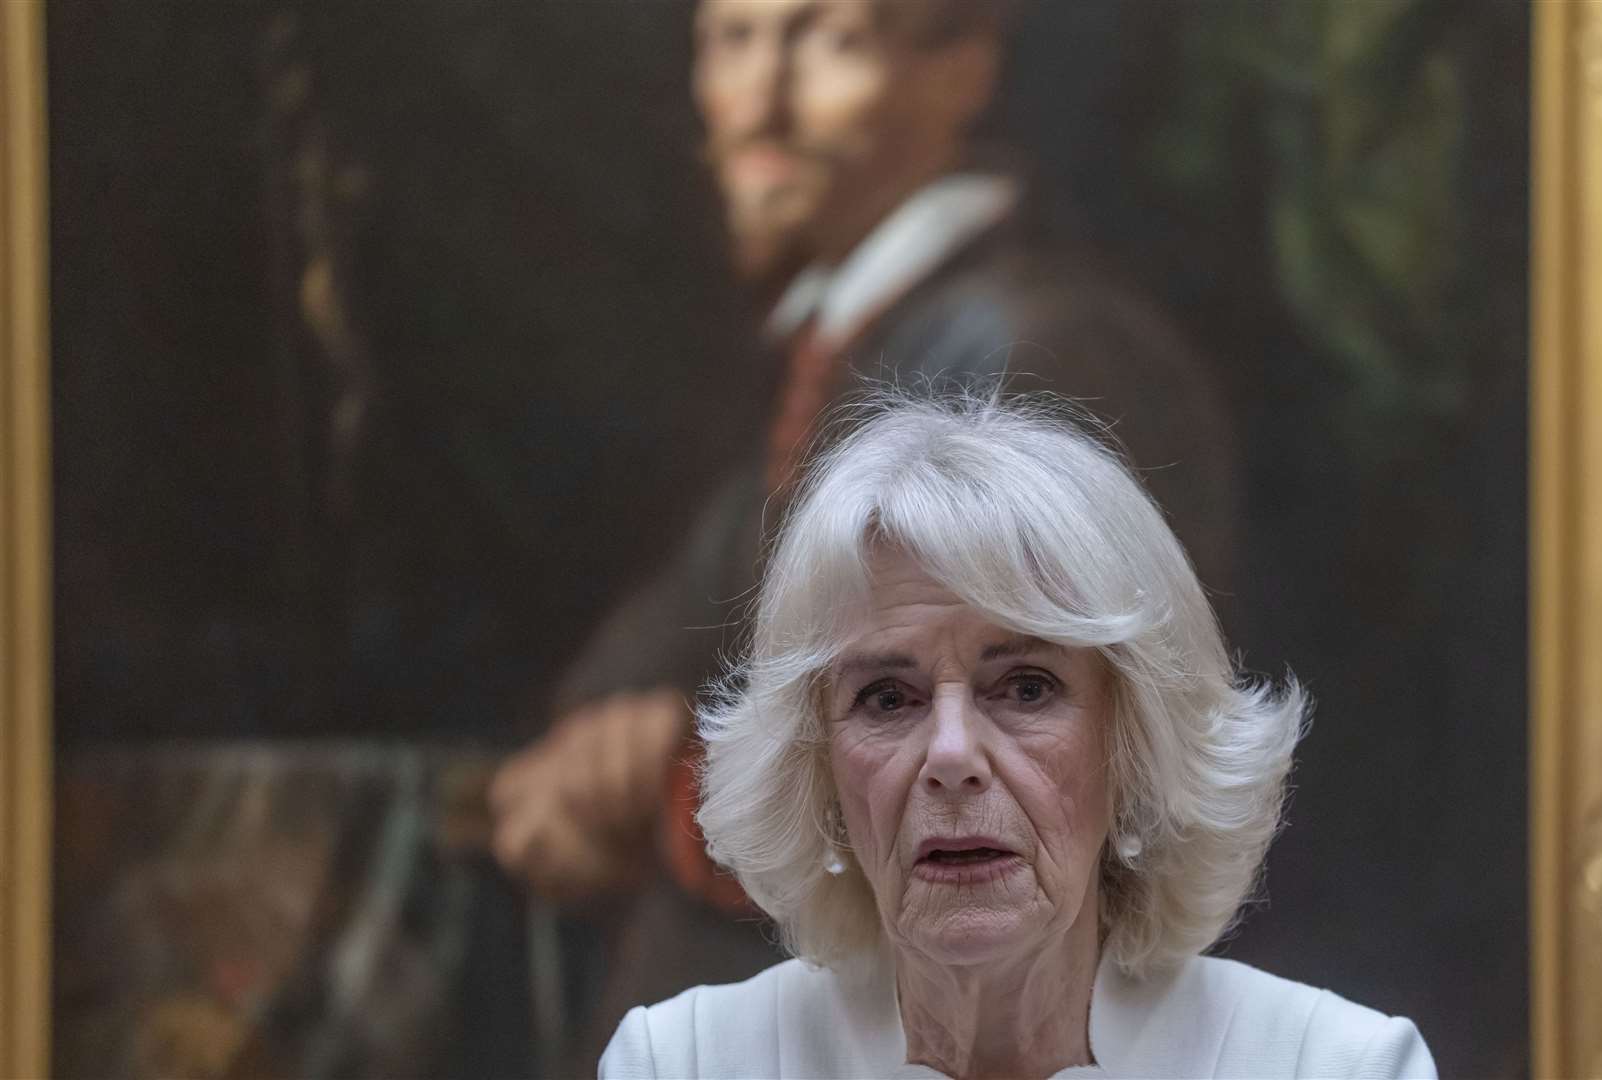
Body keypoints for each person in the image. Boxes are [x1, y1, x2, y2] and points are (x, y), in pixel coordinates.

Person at [492, 0, 1237, 917]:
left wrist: (665, 794)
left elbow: (1001, 765)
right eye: (733, 40)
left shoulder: (1035, 350)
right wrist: (600, 735)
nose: (760, 102)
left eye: (829, 41)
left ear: (962, 66)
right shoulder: (830, 343)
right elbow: (687, 611)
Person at [599, 392, 1434, 1079]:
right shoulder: (683, 1065)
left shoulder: (1334, 1066)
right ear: (815, 770)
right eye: (888, 699)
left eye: (1027, 688)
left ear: (1133, 740)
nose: (952, 757)